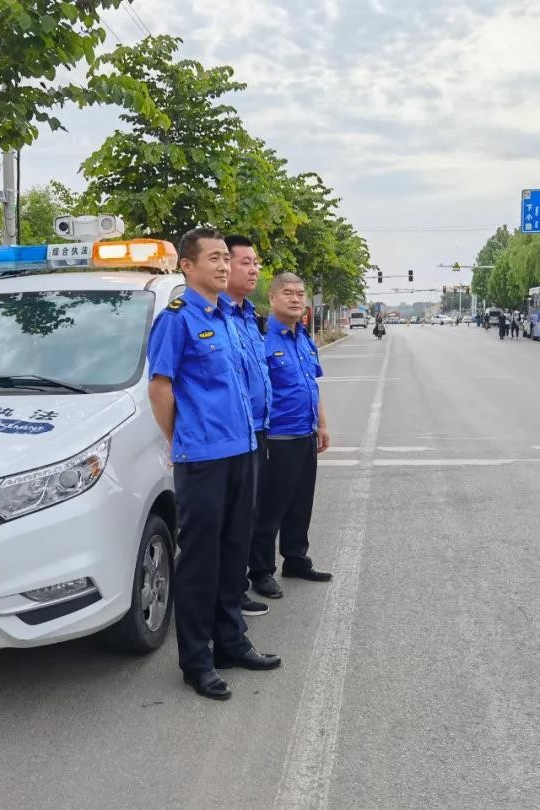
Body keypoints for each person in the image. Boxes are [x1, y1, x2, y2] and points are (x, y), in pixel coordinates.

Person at [147, 227, 281, 701]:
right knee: (201, 561)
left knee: (232, 553)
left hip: (242, 449)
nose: (225, 266)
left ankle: (231, 642)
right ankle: (197, 660)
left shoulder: (231, 317)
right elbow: (160, 387)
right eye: (215, 258)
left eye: (228, 258)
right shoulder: (177, 320)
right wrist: (178, 438)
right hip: (203, 457)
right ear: (188, 266)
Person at [249, 273, 333, 600]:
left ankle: (296, 559)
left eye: (300, 293)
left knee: (300, 503)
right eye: (288, 293)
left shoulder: (303, 338)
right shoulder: (262, 339)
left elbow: (313, 386)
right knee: (270, 508)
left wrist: (322, 426)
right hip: (276, 438)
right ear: (272, 299)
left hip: (305, 434)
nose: (296, 299)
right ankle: (261, 571)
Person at [224, 235, 274, 618]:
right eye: (246, 262)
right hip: (228, 434)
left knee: (250, 513)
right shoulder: (216, 315)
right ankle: (229, 592)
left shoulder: (248, 315)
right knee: (231, 521)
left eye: (255, 262)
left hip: (257, 428)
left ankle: (237, 587)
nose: (254, 269)